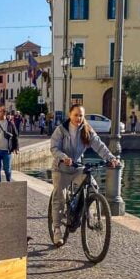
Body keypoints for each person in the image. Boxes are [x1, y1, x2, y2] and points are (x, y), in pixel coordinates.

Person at [49, 105, 121, 247]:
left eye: (81, 115)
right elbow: (54, 148)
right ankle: (57, 229)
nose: (78, 118)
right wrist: (64, 157)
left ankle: (89, 212)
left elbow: (99, 146)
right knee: (60, 198)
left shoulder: (87, 130)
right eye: (76, 115)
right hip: (61, 168)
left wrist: (111, 158)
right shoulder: (61, 130)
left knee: (93, 185)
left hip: (76, 167)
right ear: (70, 115)